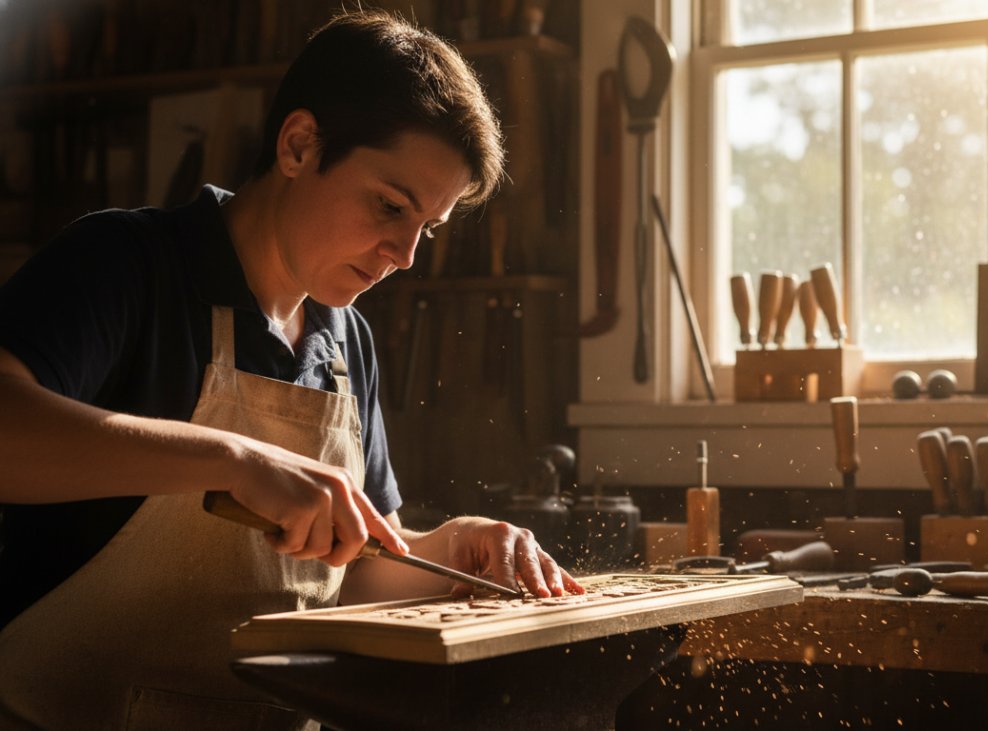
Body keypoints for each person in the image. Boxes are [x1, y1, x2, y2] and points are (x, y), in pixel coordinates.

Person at [0, 9, 581, 728]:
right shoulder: (125, 265)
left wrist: (442, 547)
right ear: (300, 145)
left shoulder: (347, 342)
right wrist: (234, 459)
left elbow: (353, 571)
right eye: (389, 205)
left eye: (425, 227)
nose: (404, 254)